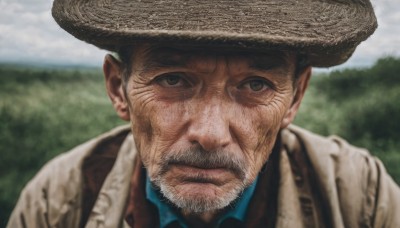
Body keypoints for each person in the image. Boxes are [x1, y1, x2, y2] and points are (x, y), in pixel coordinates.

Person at [7, 0, 400, 227]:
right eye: (173, 80)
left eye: (256, 84)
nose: (210, 134)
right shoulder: (58, 199)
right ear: (118, 89)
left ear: (295, 98)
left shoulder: (361, 195)